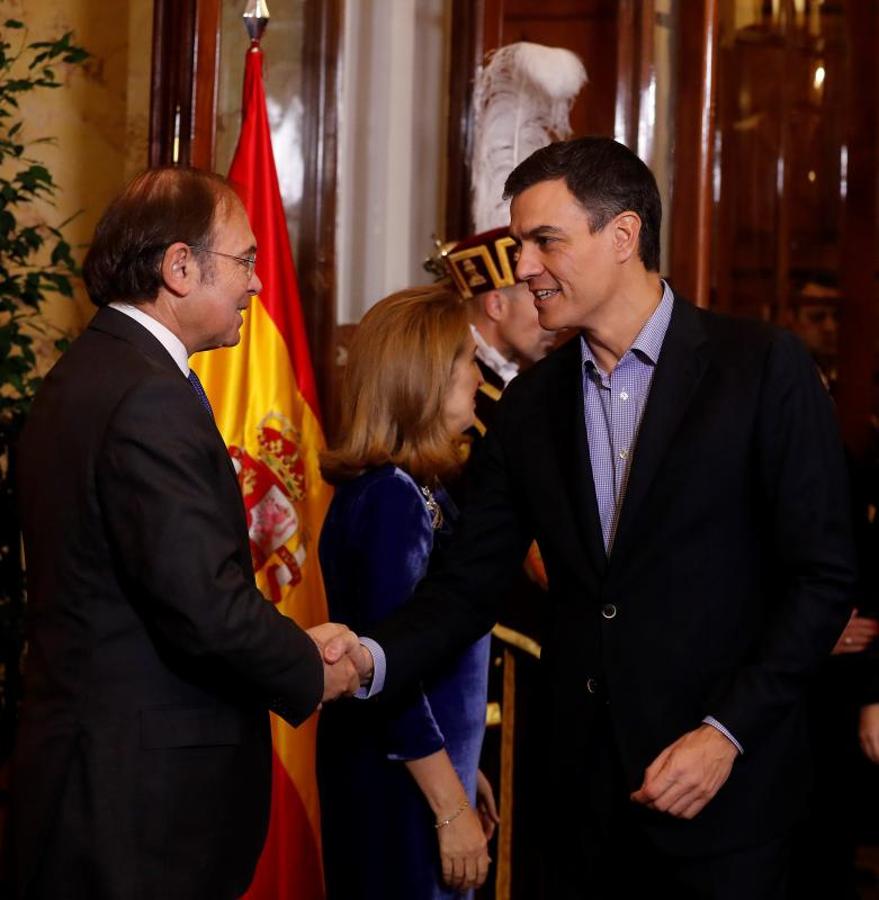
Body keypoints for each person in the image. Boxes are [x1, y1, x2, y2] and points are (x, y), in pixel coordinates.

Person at [332, 137, 857, 898]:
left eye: (545, 241)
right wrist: (364, 660)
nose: (526, 268)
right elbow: (465, 588)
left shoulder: (760, 367)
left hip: (731, 800)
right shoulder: (528, 407)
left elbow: (821, 577)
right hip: (580, 807)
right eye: (519, 246)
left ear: (622, 236)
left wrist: (725, 734)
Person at [10, 167, 363, 900]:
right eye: (246, 261)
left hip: (99, 779)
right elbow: (199, 605)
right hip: (136, 803)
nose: (257, 286)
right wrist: (308, 664)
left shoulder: (90, 372)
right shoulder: (147, 396)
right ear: (178, 266)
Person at [316, 286, 498, 900]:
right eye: (468, 361)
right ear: (424, 379)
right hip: (400, 791)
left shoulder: (413, 488)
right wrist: (450, 806)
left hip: (416, 775)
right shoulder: (392, 496)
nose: (479, 376)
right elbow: (391, 676)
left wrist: (463, 771)